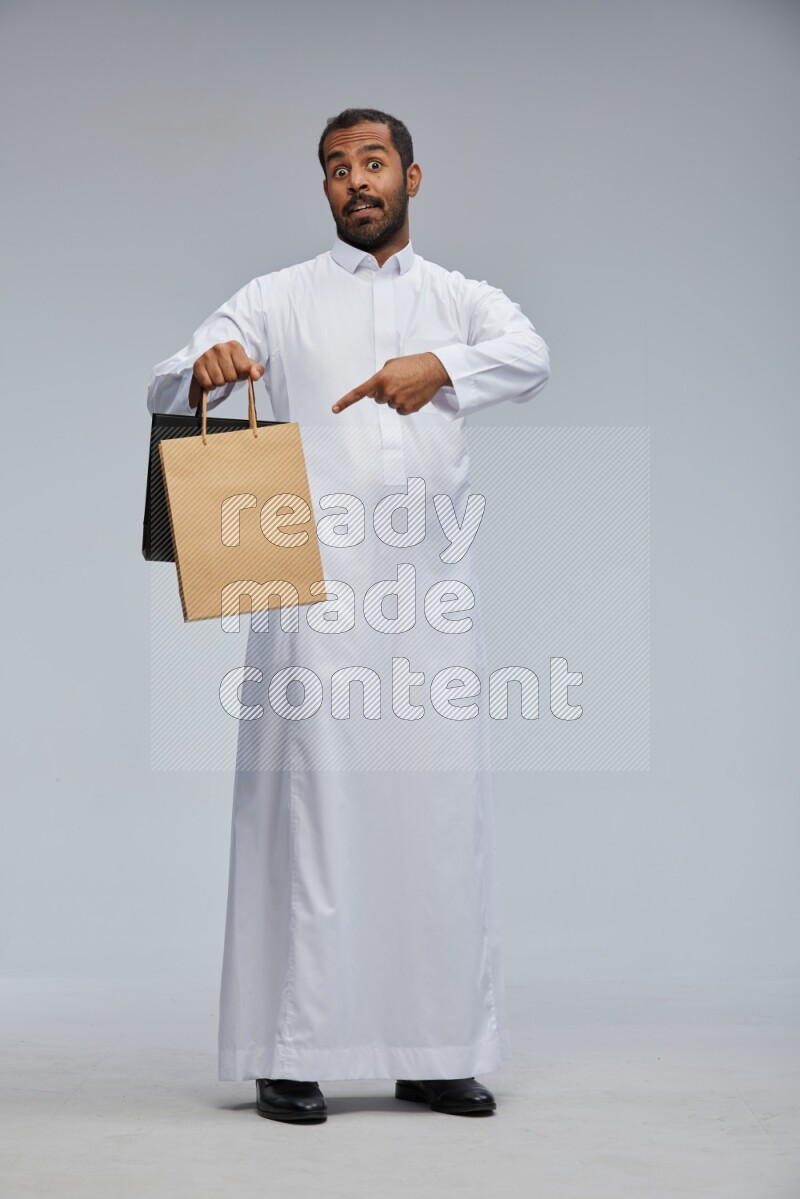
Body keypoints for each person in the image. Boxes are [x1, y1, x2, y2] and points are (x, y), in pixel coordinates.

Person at [146, 107, 551, 1123]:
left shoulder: (458, 299)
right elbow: (174, 370)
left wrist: (441, 367)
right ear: (323, 189)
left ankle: (433, 1047)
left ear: (412, 176)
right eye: (335, 169)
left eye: (372, 163)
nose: (354, 181)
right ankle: (293, 1048)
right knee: (312, 821)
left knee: (433, 823)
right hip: (309, 599)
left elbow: (530, 355)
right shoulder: (277, 298)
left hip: (427, 604)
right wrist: (210, 364)